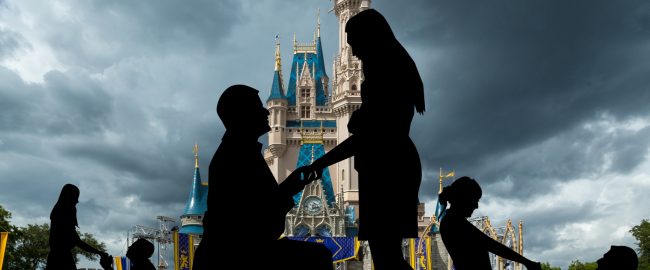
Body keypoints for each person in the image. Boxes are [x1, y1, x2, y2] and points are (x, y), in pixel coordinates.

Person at [301, 8, 424, 270]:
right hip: (389, 163)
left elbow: (368, 134)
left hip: (386, 167)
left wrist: (321, 162)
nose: (353, 51)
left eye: (355, 42)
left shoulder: (386, 77)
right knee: (386, 252)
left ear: (370, 38)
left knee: (385, 253)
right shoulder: (392, 71)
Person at [192, 85, 332, 270]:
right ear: (242, 115)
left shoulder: (240, 151)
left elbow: (262, 204)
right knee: (318, 256)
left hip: (237, 249)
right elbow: (254, 218)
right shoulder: (236, 155)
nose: (266, 111)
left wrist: (292, 184)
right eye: (258, 107)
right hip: (236, 253)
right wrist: (289, 187)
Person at [438, 177, 541, 270]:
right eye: (475, 200)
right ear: (464, 198)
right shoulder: (454, 223)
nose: (477, 206)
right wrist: (526, 262)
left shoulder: (451, 221)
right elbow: (493, 245)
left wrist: (526, 262)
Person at [45, 184, 111, 270]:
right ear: (70, 198)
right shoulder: (66, 211)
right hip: (62, 259)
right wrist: (99, 252)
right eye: (76, 197)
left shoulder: (58, 212)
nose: (77, 201)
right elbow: (77, 241)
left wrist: (98, 252)